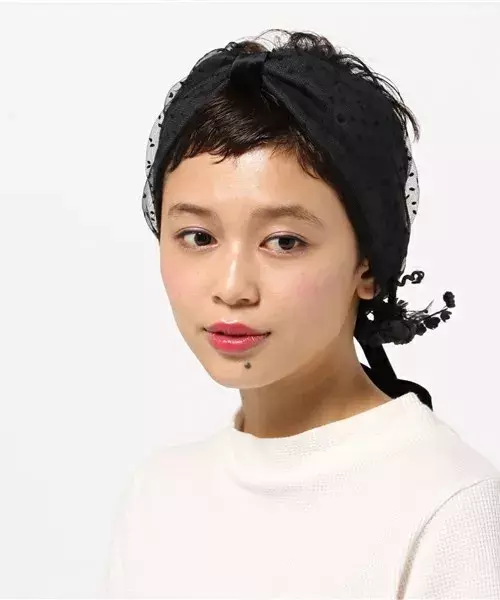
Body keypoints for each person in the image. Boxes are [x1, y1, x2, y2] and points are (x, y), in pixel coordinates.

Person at [103, 29, 500, 599]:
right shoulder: (157, 498)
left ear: (369, 265)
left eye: (284, 242)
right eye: (198, 236)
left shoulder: (448, 506)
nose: (233, 287)